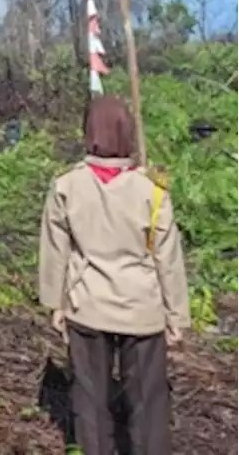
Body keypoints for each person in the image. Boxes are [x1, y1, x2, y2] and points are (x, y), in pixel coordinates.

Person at [38, 96, 190, 455]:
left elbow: (54, 251)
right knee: (148, 403)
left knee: (90, 400)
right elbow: (167, 259)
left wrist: (55, 304)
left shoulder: (66, 186)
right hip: (143, 308)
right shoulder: (152, 191)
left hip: (86, 304)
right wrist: (176, 315)